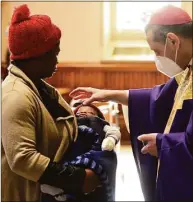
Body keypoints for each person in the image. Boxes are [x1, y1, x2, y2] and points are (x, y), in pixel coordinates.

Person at [70, 5, 193, 202]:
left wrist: (162, 144)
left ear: (173, 40)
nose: (157, 58)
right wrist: (107, 94)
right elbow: (159, 97)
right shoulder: (189, 71)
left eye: (157, 50)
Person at [2, 4, 101, 201]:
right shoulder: (16, 96)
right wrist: (79, 178)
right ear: (35, 57)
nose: (57, 60)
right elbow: (23, 159)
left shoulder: (39, 86)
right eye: (54, 53)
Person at [41, 104, 120, 201]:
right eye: (79, 112)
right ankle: (58, 189)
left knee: (104, 158)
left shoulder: (101, 124)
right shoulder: (68, 124)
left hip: (96, 150)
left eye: (90, 112)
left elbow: (113, 132)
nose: (83, 113)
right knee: (64, 168)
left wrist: (111, 139)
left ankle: (60, 189)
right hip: (72, 151)